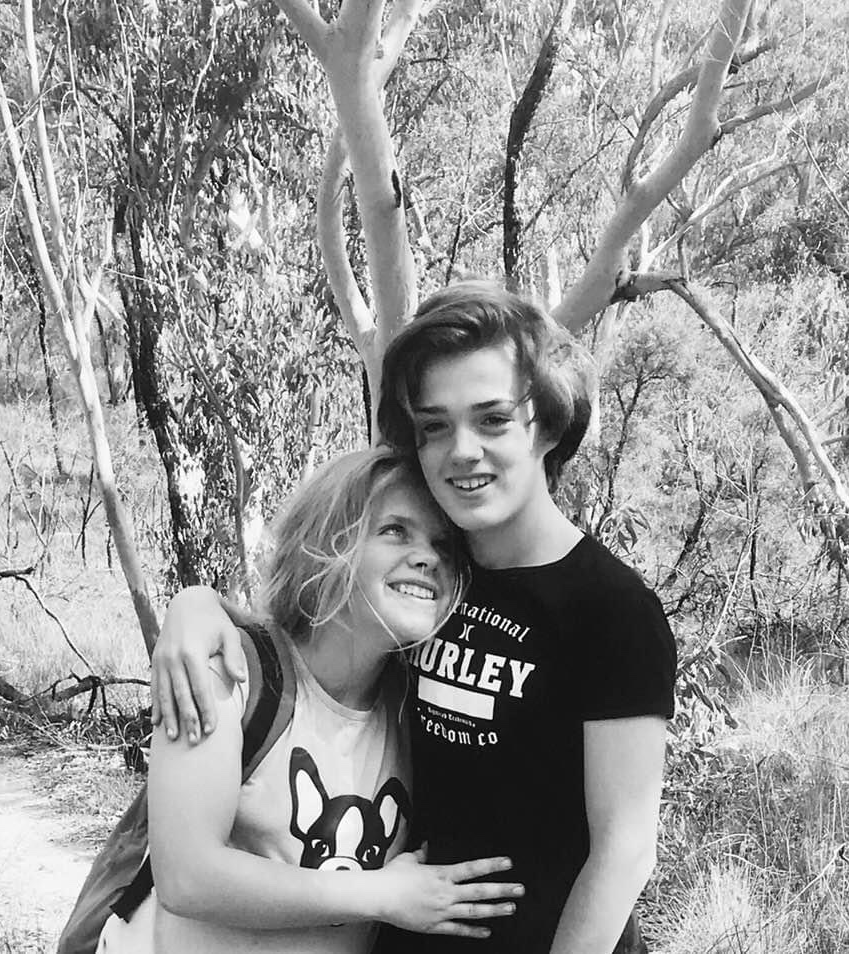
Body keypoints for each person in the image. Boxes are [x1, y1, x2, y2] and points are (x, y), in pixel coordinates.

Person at [152, 282, 677, 954]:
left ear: (545, 426)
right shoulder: (437, 583)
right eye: (434, 426)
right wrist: (195, 606)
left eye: (492, 420)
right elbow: (308, 633)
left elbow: (625, 850)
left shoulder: (611, 609)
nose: (462, 450)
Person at [100, 446, 523, 954]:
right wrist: (381, 895)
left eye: (443, 546)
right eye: (395, 530)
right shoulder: (228, 674)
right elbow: (187, 878)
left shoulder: (418, 705)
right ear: (325, 541)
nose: (428, 557)